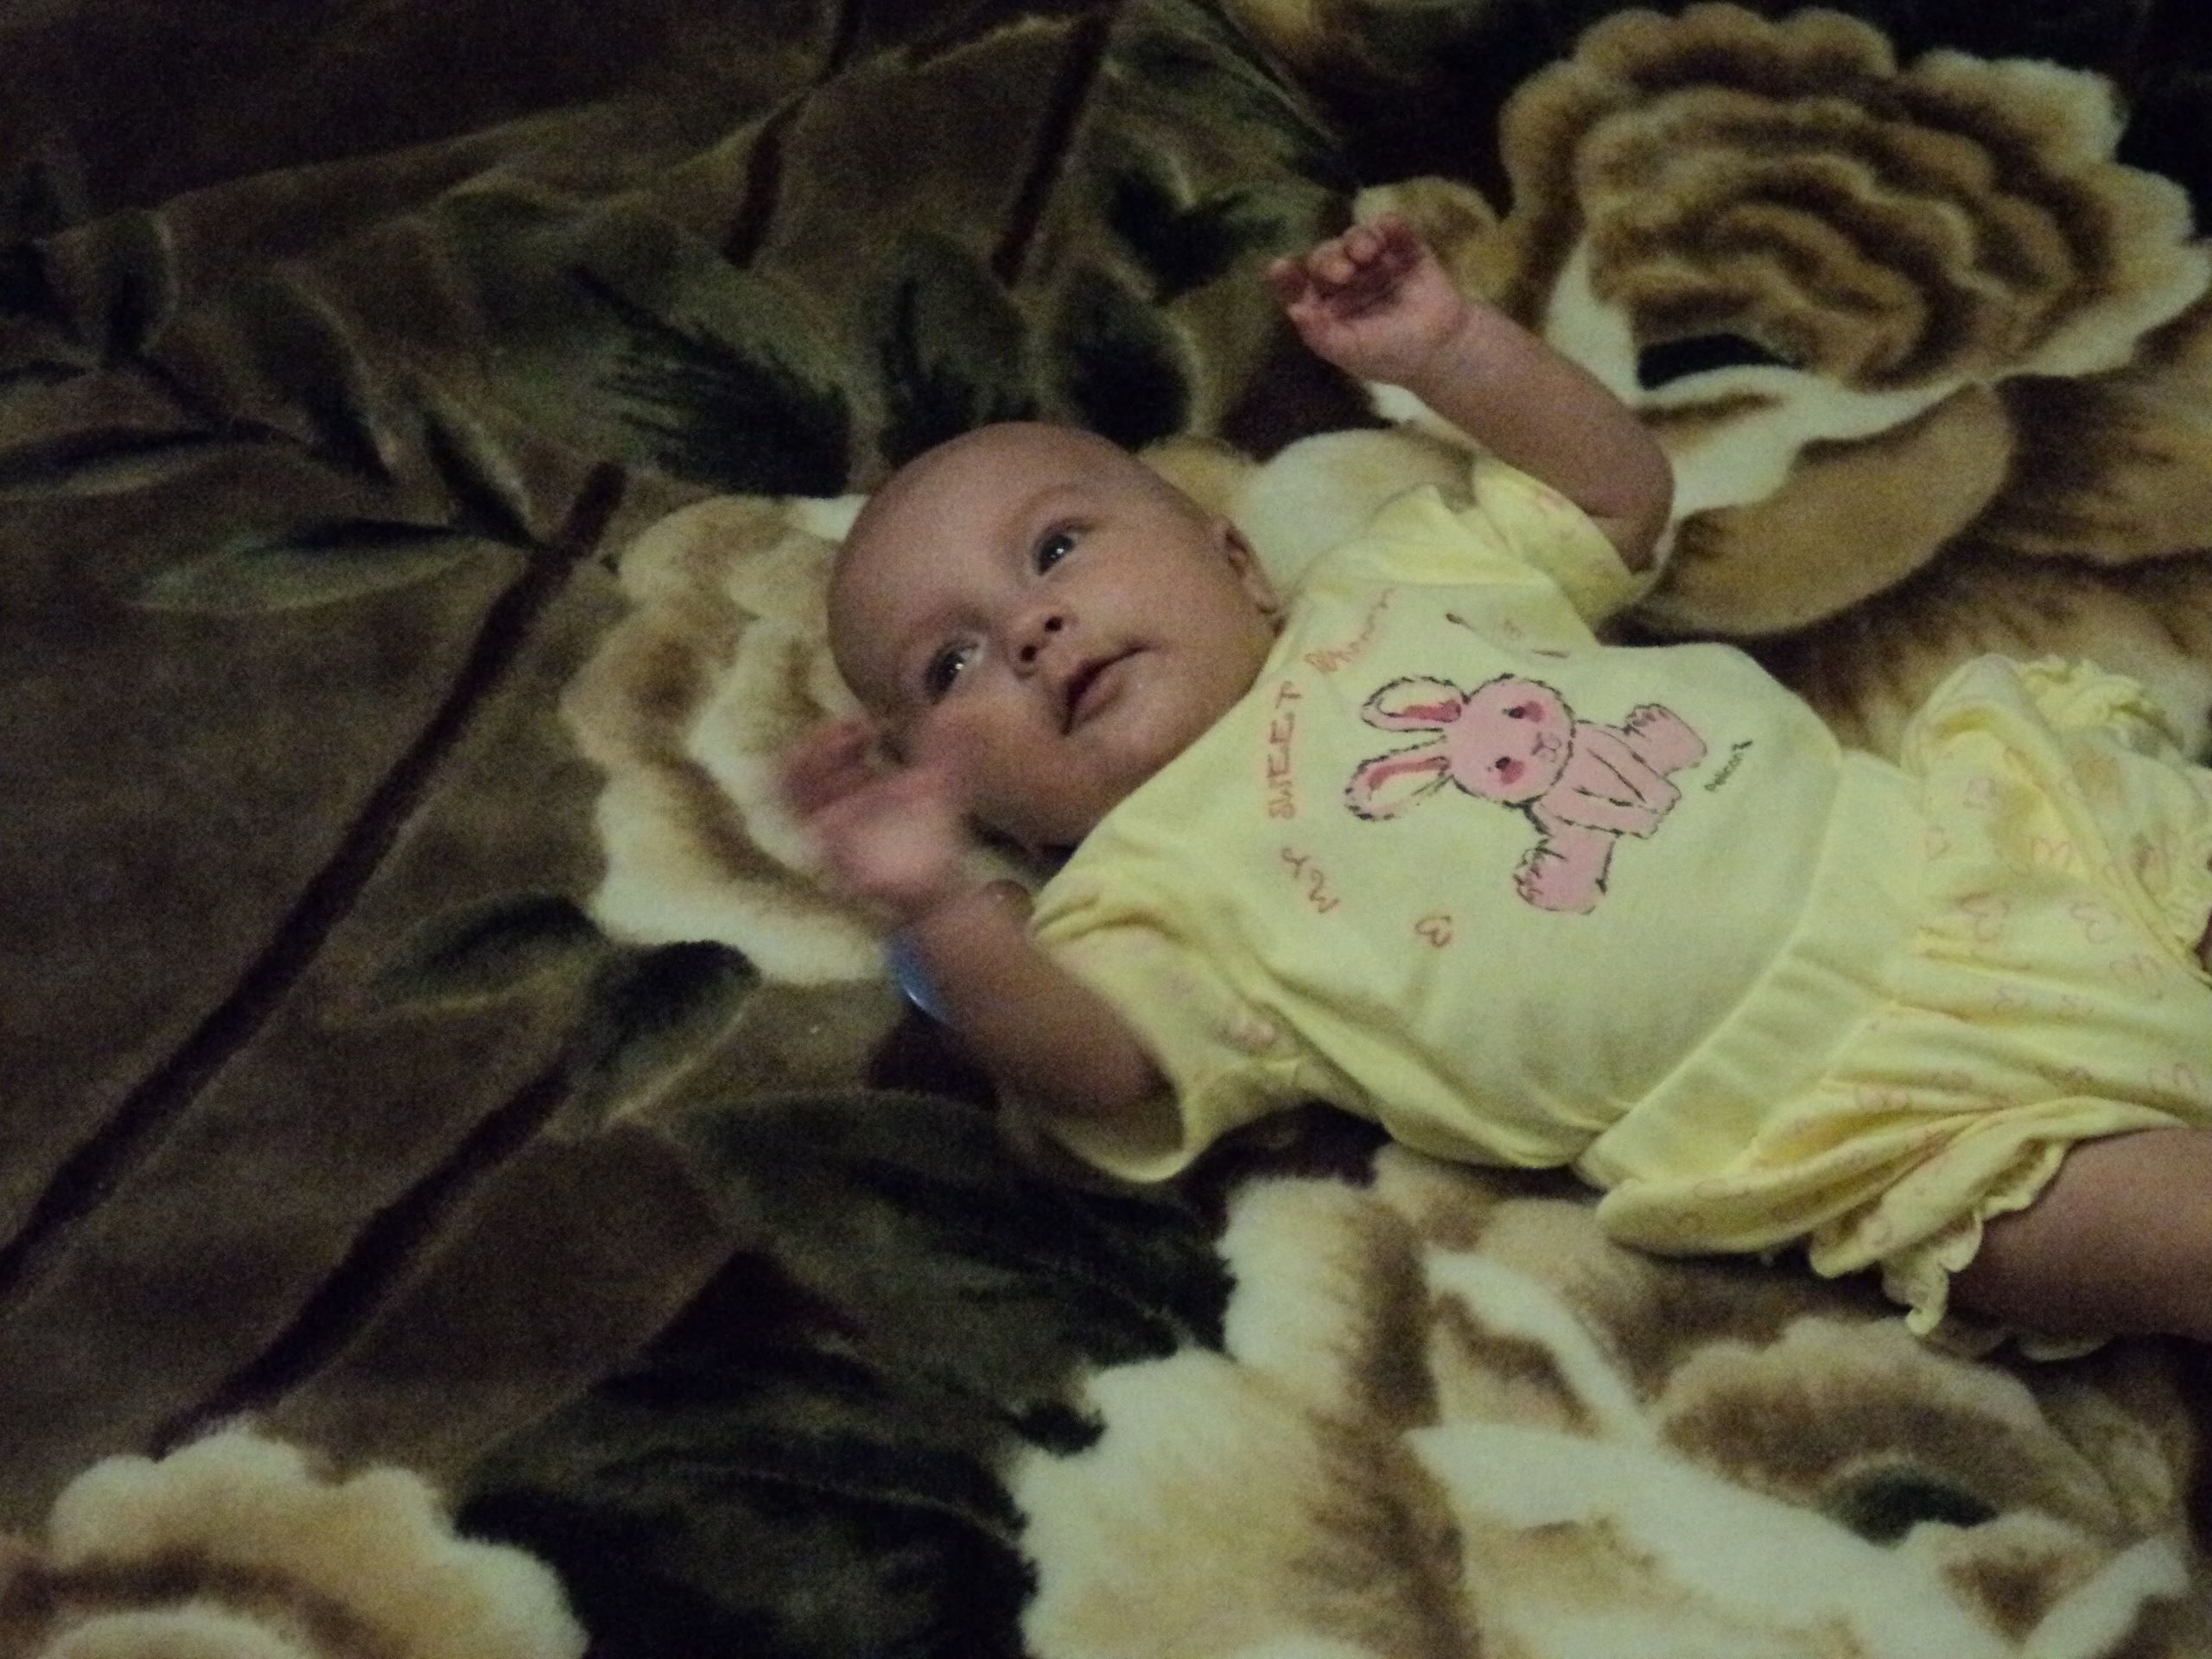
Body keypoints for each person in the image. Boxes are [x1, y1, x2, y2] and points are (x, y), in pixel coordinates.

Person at [785, 214, 2212, 1349]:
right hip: (1862, 1114)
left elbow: (1613, 496)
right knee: (2138, 1243)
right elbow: (1096, 1069)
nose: (1031, 630)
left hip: (1970, 853)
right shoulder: (1142, 901)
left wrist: (1454, 351)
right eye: (950, 665)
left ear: (1237, 565)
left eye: (1055, 550)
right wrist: (947, 909)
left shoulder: (1398, 576)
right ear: (978, 804)